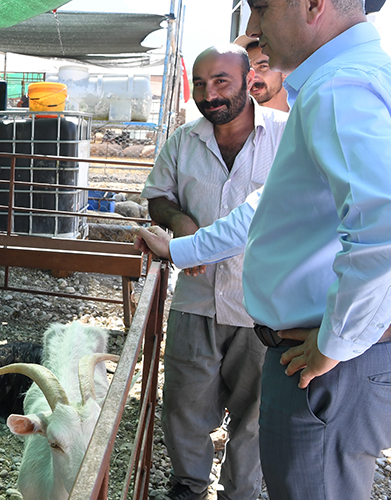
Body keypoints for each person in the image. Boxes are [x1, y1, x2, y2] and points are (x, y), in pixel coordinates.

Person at [239, 0, 391, 498]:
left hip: (331, 364)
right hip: (368, 350)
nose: (253, 28)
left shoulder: (339, 84)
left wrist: (337, 341)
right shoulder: (387, 71)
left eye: (261, 7)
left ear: (312, 4)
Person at [143, 44, 288, 500]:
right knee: (185, 407)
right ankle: (188, 486)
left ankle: (240, 492)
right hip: (196, 298)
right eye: (201, 84)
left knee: (255, 417)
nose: (210, 94)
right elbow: (157, 196)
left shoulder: (288, 136)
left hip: (262, 304)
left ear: (250, 81)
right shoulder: (184, 140)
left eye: (221, 81)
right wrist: (181, 224)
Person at [234, 35, 290, 112]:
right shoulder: (235, 120)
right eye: (247, 69)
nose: (252, 77)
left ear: (284, 71)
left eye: (263, 66)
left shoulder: (305, 116)